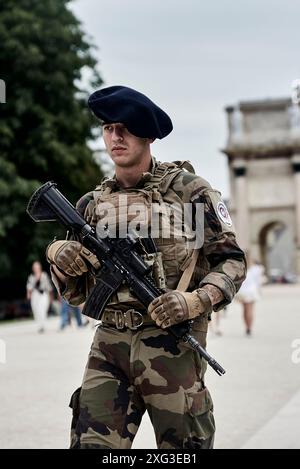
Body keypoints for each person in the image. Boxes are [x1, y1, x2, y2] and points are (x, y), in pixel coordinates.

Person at [46, 86, 246, 449]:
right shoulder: (91, 204)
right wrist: (58, 254)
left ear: (148, 135)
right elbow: (75, 290)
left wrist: (195, 301)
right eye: (108, 128)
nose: (115, 137)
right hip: (109, 345)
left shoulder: (190, 193)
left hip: (172, 346)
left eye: (125, 128)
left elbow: (232, 260)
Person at [236, 254, 264, 335]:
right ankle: (249, 327)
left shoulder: (240, 268)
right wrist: (259, 290)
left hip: (242, 291)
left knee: (244, 310)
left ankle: (246, 326)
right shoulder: (256, 269)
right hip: (251, 291)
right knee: (250, 310)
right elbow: (258, 282)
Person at [26, 261, 53, 333]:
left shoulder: (44, 275)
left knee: (42, 310)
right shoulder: (31, 277)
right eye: (35, 267)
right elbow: (29, 287)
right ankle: (39, 325)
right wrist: (28, 294)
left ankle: (43, 325)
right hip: (35, 295)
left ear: (40, 267)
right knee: (36, 310)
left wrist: (51, 297)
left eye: (37, 267)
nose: (36, 269)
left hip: (43, 295)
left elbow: (48, 287)